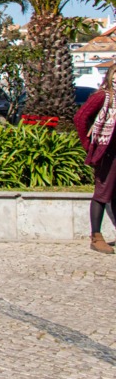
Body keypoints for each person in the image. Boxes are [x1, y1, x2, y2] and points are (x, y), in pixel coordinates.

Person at [75, 66, 116, 254]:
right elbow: (80, 117)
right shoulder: (103, 96)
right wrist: (89, 145)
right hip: (107, 152)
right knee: (102, 193)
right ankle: (96, 236)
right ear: (110, 76)